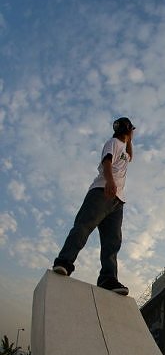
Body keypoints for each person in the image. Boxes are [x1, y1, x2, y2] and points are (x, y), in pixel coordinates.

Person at [52, 117, 135, 295]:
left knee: (112, 242)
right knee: (84, 226)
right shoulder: (112, 143)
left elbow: (130, 156)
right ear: (129, 131)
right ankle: (64, 262)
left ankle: (108, 278)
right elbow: (107, 162)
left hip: (117, 202)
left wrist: (130, 140)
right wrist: (110, 182)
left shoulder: (124, 149)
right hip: (102, 192)